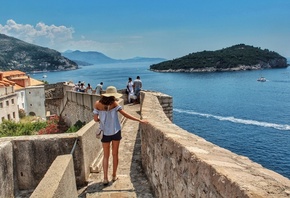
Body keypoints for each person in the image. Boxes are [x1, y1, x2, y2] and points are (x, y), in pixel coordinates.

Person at [93, 86, 148, 185]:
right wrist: (139, 120)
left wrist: (101, 119)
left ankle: (105, 178)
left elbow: (95, 119)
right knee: (115, 154)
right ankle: (114, 175)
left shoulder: (97, 104)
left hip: (104, 133)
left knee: (106, 156)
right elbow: (125, 114)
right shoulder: (115, 104)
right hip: (115, 131)